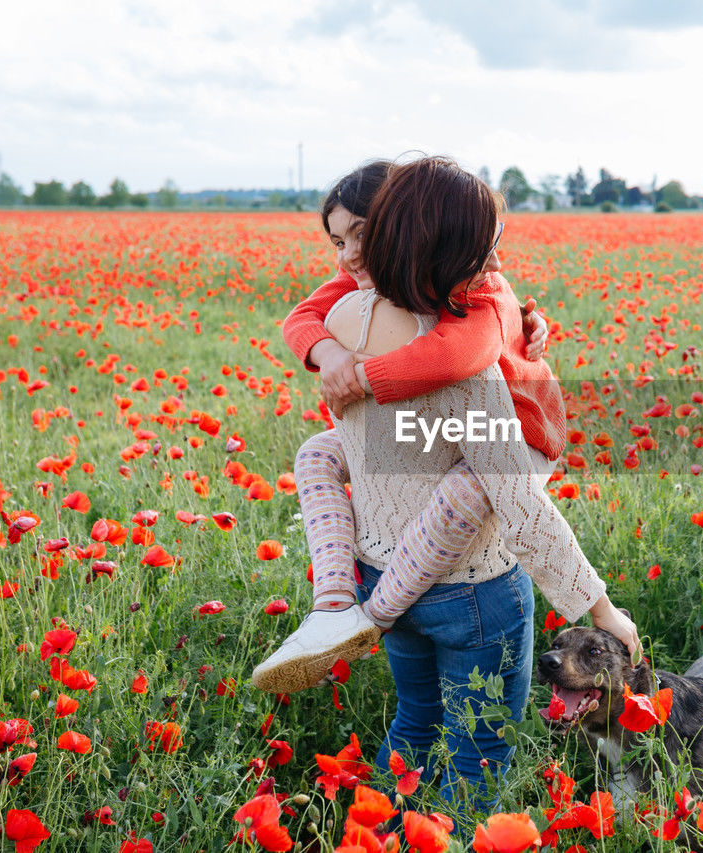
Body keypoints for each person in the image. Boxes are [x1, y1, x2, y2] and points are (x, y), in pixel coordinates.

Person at [253, 162, 639, 695]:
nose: (348, 255)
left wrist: (362, 375)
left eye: (363, 234)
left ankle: (375, 612)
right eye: (340, 240)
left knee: (470, 485)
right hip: (453, 458)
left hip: (521, 435)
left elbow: (462, 356)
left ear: (404, 234)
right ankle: (336, 605)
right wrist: (330, 353)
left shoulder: (475, 307)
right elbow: (300, 317)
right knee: (319, 452)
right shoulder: (370, 292)